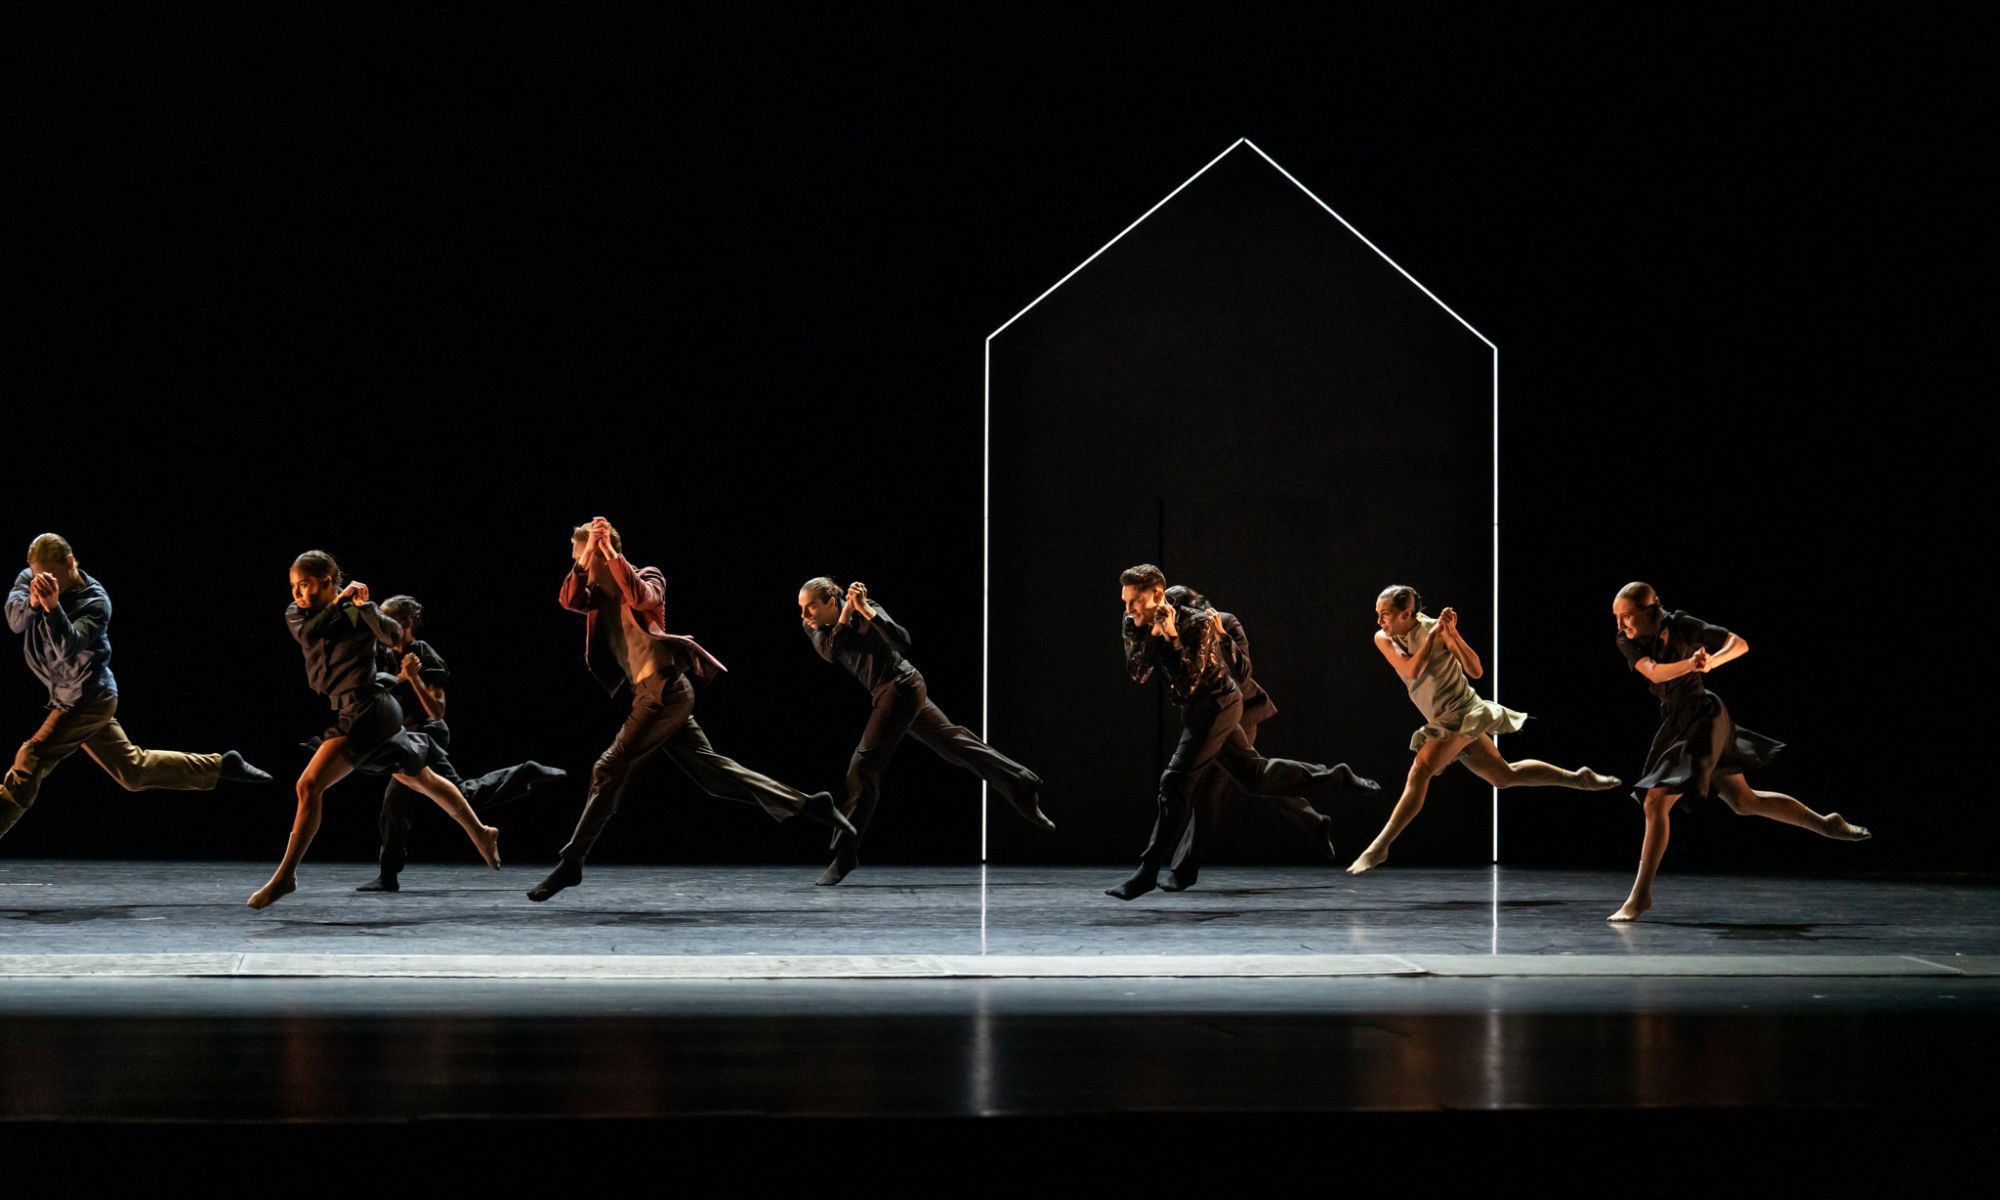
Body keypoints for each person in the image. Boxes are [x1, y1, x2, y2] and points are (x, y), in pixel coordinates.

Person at [527, 517, 853, 903]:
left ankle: (572, 863)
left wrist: (610, 553)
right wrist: (583, 564)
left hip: (665, 692)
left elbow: (642, 598)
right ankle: (812, 805)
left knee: (607, 767)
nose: (575, 562)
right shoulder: (594, 594)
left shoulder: (648, 576)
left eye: (578, 554)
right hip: (647, 694)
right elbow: (567, 599)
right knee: (714, 776)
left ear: (601, 551)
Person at [1110, 564, 1378, 901]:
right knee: (1255, 777)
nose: (1128, 608)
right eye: (1126, 601)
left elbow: (1196, 682)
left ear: (1159, 596)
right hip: (1196, 710)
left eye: (1134, 601)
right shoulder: (1132, 622)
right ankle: (1334, 776)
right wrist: (1153, 634)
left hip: (1220, 704)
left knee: (1176, 783)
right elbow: (1138, 672)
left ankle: (1148, 872)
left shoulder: (1201, 623)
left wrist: (1174, 638)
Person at [249, 551, 499, 909]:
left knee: (308, 785)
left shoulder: (356, 612)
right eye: (294, 586)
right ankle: (481, 831)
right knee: (419, 777)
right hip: (358, 709)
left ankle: (285, 876)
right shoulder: (298, 615)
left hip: (368, 710)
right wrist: (341, 602)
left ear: (326, 580)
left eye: (305, 585)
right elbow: (311, 634)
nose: (298, 593)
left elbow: (395, 636)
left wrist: (367, 608)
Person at [1608, 581, 1870, 921]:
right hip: (1678, 720)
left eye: (1626, 617)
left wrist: (1711, 663)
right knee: (1745, 802)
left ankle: (1640, 897)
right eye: (1617, 618)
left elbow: (1739, 644)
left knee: (1655, 801)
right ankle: (1826, 823)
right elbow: (1655, 673)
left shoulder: (1683, 624)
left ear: (1649, 611)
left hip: (1705, 717)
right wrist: (1691, 664)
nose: (1620, 625)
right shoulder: (1626, 642)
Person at [2, 533, 273, 845]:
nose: (44, 581)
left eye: (51, 575)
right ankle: (221, 765)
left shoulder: (95, 601)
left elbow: (68, 645)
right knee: (133, 772)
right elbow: (15, 620)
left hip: (89, 699)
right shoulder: (30, 579)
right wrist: (34, 601)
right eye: (37, 575)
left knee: (31, 756)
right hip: (66, 695)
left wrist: (52, 609)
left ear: (69, 562)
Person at [1348, 585, 1622, 874]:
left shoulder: (1435, 629)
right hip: (1444, 718)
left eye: (1385, 615)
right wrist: (1432, 638)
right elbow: (1410, 671)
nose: (1380, 621)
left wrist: (1452, 636)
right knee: (1503, 776)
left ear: (1406, 613)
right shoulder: (1383, 638)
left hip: (1464, 712)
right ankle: (1577, 778)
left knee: (1420, 770)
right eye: (1378, 614)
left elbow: (1475, 670)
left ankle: (1379, 847)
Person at [798, 576, 1053, 886]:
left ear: (829, 600)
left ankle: (846, 853)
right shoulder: (818, 629)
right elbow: (831, 652)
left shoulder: (868, 609)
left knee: (863, 766)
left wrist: (865, 609)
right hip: (886, 692)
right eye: (803, 608)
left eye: (811, 607)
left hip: (902, 687)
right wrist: (846, 614)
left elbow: (902, 642)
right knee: (955, 744)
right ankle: (1022, 786)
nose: (805, 615)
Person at [356, 595, 566, 893]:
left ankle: (523, 773)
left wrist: (413, 679)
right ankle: (388, 874)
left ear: (406, 623)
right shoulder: (381, 652)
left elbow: (437, 711)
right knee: (413, 801)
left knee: (436, 798)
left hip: (428, 735)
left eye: (390, 623)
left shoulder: (425, 655)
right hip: (403, 737)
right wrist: (400, 678)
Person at [1154, 584, 1334, 892]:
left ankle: (1183, 871)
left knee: (1214, 789)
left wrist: (1221, 636)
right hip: (1211, 718)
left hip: (1240, 712)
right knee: (1253, 779)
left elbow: (1243, 673)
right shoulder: (1172, 632)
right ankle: (1313, 819)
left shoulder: (1224, 622)